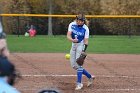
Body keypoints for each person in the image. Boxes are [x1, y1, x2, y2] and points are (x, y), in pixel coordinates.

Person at [67, 13, 95, 90]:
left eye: (81, 20)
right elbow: (68, 35)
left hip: (80, 45)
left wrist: (83, 51)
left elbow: (86, 41)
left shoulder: (86, 28)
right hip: (73, 45)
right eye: (78, 20)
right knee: (74, 66)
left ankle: (79, 83)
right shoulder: (72, 24)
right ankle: (90, 77)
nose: (79, 22)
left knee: (79, 64)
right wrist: (72, 40)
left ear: (83, 21)